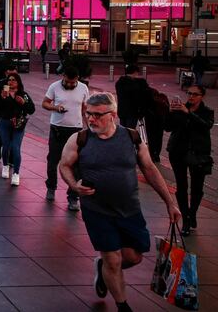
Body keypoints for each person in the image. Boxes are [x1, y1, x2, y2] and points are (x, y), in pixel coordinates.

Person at [59, 93, 181, 312]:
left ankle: (102, 266)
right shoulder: (79, 139)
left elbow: (150, 170)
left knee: (134, 258)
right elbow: (64, 165)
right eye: (89, 114)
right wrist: (74, 186)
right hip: (96, 210)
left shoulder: (132, 138)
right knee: (113, 260)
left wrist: (170, 203)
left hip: (129, 210)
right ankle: (122, 305)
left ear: (113, 115)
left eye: (97, 115)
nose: (91, 119)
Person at [165, 85, 213, 236]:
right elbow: (167, 127)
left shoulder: (207, 112)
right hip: (178, 151)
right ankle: (185, 219)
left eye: (195, 94)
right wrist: (171, 113)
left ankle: (193, 213)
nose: (191, 97)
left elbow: (206, 126)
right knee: (182, 186)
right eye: (189, 93)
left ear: (202, 96)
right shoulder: (180, 108)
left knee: (197, 188)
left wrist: (189, 114)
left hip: (198, 154)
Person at [41, 66, 89, 211]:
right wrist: (56, 108)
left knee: (76, 164)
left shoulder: (83, 88)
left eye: (73, 82)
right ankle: (51, 186)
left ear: (78, 79)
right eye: (67, 82)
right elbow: (45, 103)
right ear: (63, 76)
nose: (70, 85)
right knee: (53, 161)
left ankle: (73, 197)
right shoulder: (54, 87)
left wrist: (88, 126)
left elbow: (84, 108)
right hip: (57, 129)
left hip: (75, 130)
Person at [0, 73, 35, 186]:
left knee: (16, 147)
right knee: (6, 146)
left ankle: (16, 173)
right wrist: (1, 98)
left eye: (14, 80)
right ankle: (5, 166)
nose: (11, 82)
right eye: (9, 80)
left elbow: (32, 109)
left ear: (18, 82)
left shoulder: (23, 94)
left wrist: (23, 103)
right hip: (4, 122)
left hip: (18, 125)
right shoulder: (3, 92)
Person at [0, 64, 19, 161]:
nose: (12, 80)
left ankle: (11, 158)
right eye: (10, 76)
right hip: (3, 114)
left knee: (13, 136)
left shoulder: (19, 84)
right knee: (4, 134)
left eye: (14, 76)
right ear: (6, 73)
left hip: (15, 115)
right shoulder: (1, 84)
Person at [114, 65, 151, 129]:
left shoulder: (119, 82)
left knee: (123, 130)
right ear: (135, 72)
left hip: (122, 111)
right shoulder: (135, 85)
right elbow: (139, 99)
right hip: (132, 112)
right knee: (130, 131)